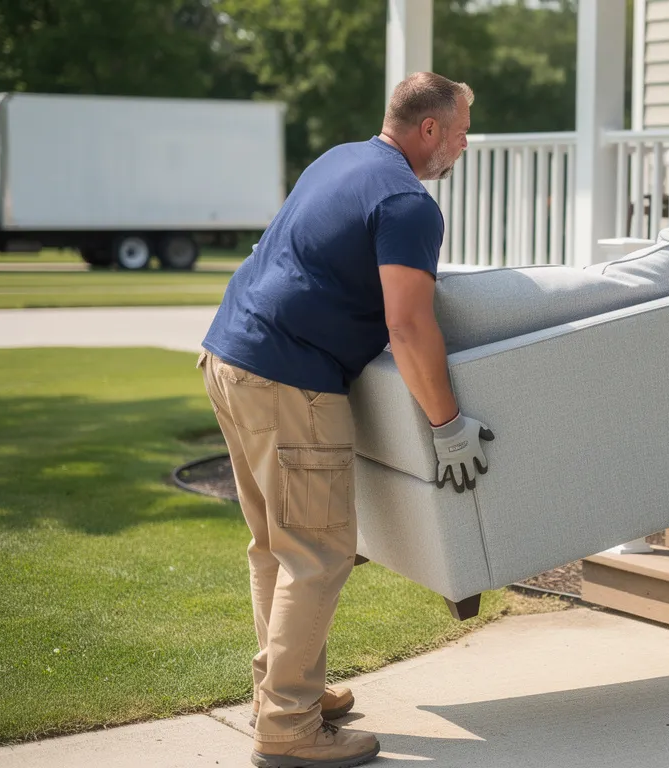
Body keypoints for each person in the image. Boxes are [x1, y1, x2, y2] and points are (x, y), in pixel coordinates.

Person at [197, 72, 494, 768]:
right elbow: (411, 325)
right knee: (318, 553)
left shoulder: (341, 160)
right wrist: (448, 426)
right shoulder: (408, 203)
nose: (463, 146)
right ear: (429, 131)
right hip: (286, 380)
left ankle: (284, 692)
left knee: (277, 547)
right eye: (460, 133)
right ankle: (289, 729)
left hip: (227, 357)